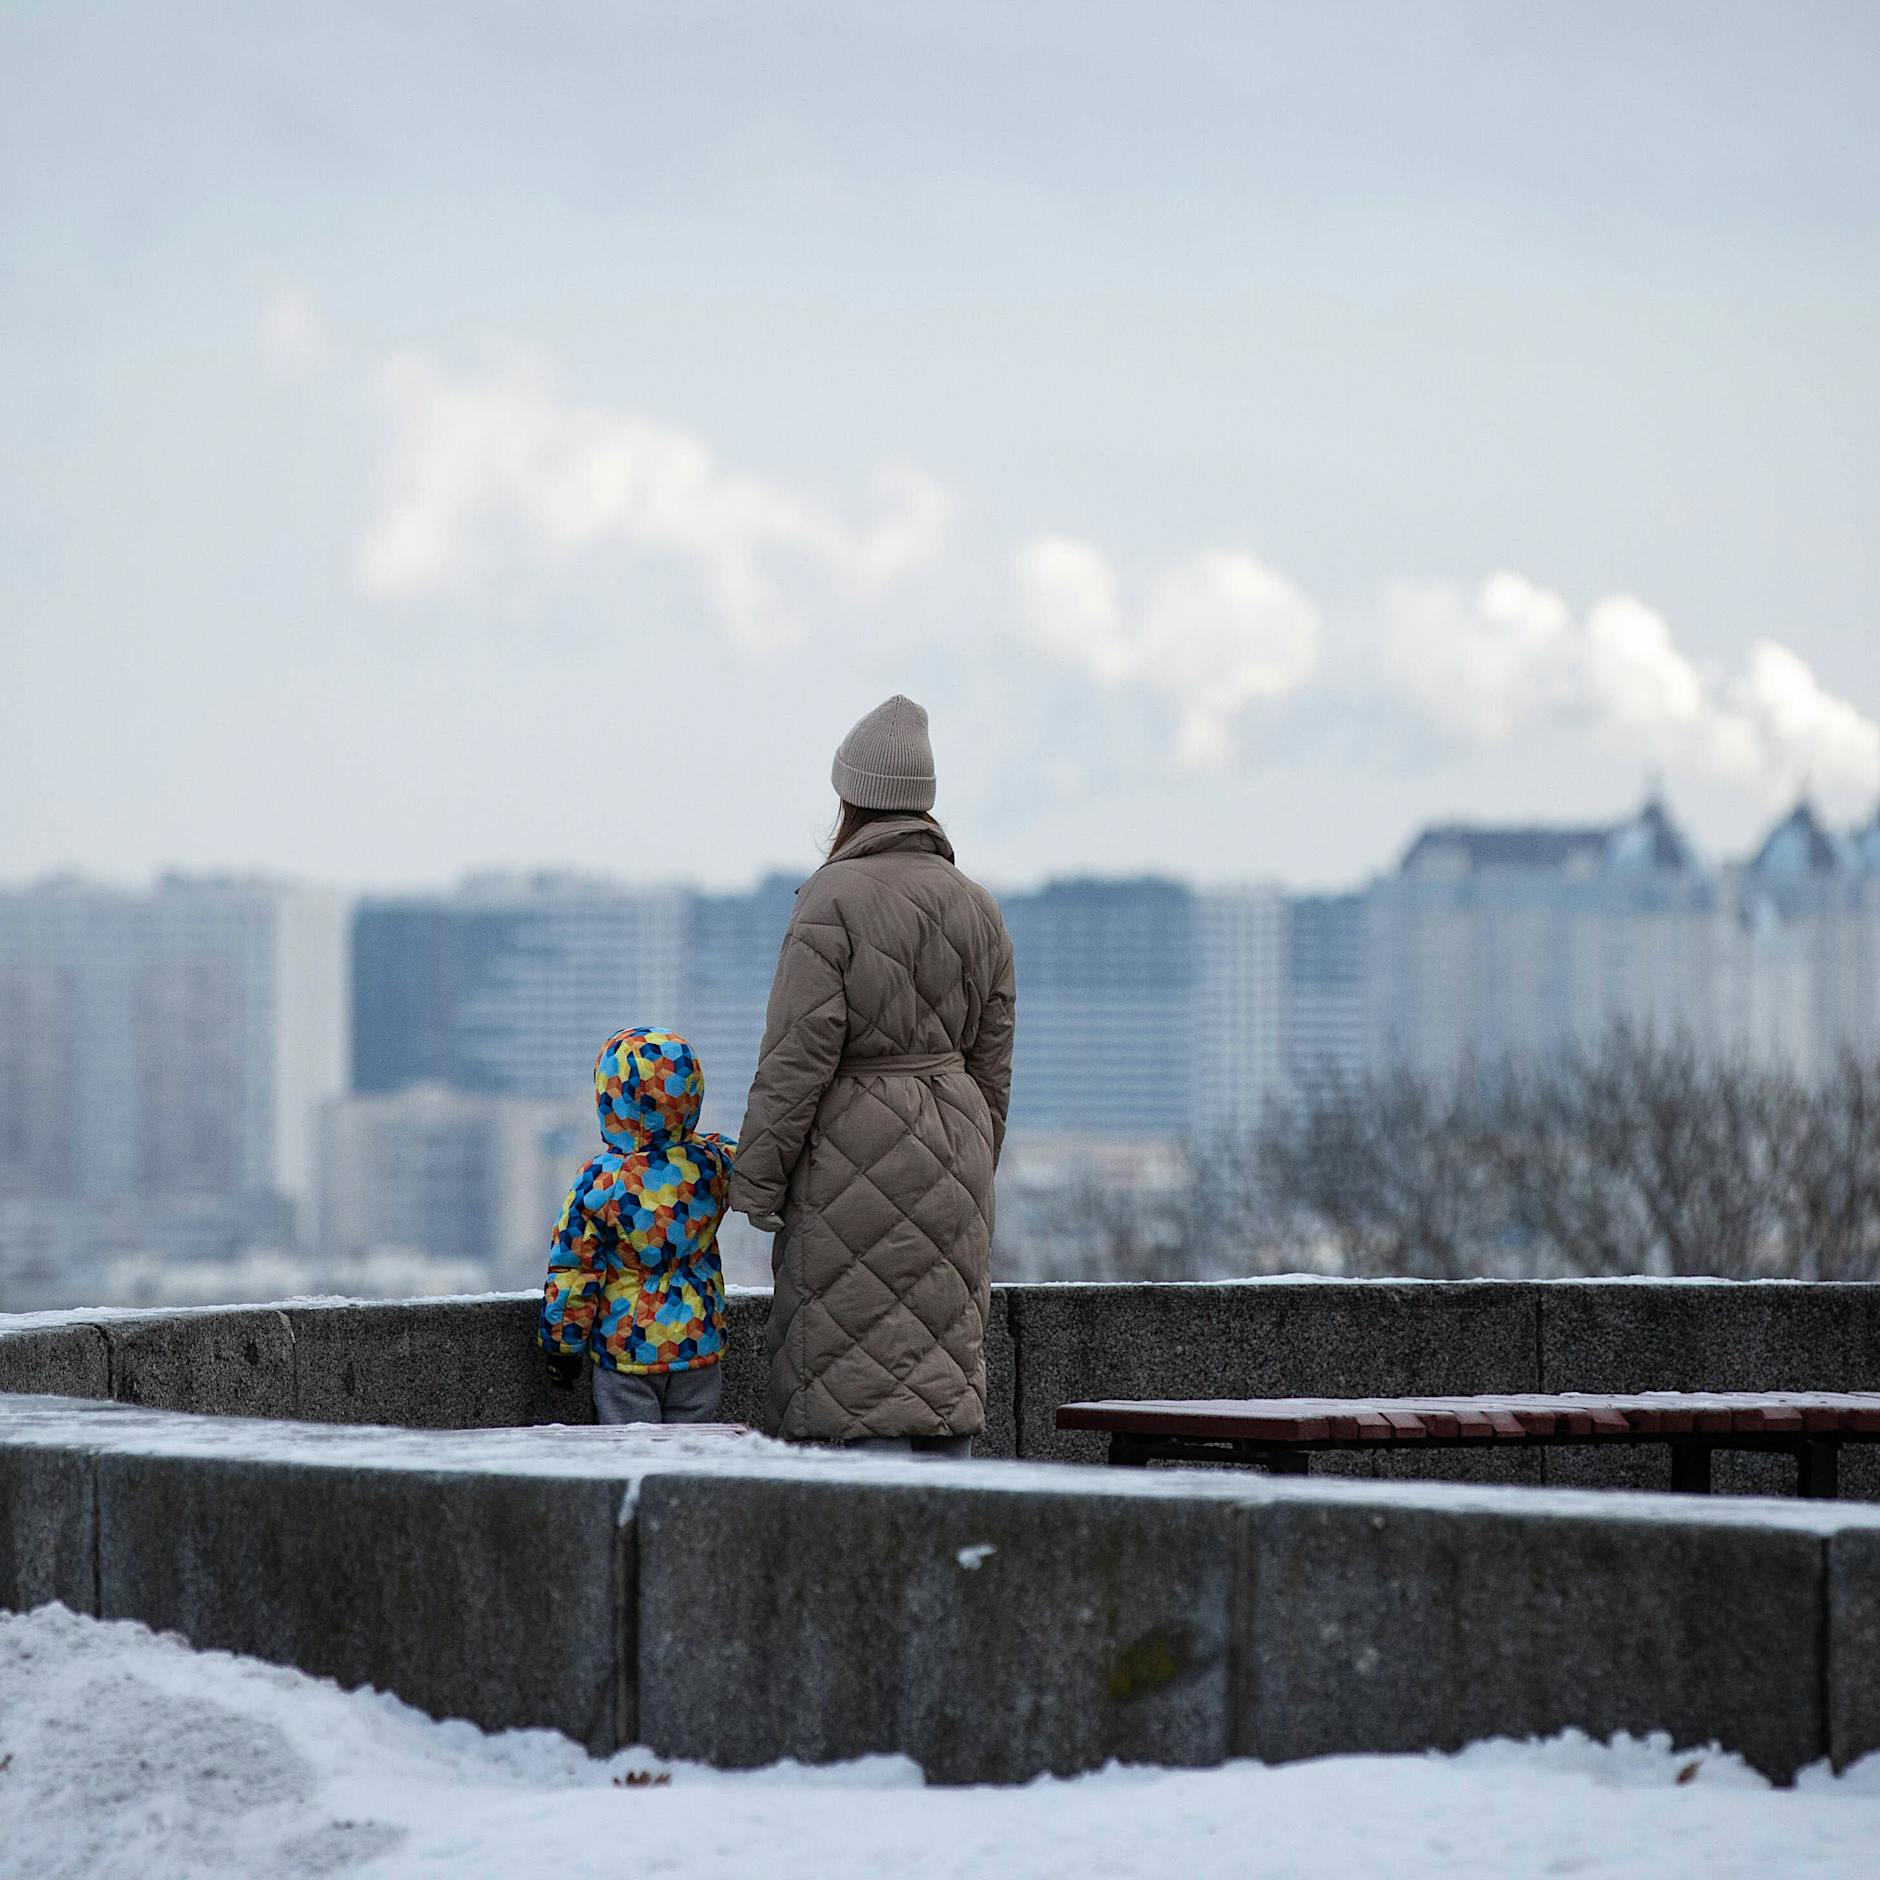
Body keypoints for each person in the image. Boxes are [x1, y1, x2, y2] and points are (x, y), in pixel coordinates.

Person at [731, 695, 1016, 1455]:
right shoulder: (977, 905)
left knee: (848, 1381)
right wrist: (972, 1156)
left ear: (851, 798)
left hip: (849, 1148)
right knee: (938, 1368)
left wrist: (755, 1181)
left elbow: (797, 1053)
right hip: (954, 1152)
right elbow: (994, 1063)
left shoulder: (832, 897)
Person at [538, 1026, 735, 1425]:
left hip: (627, 1348)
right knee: (693, 1464)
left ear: (609, 1098)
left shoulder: (599, 1182)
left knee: (631, 1459)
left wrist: (562, 1345)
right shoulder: (713, 1162)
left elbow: (575, 1272)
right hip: (699, 1344)